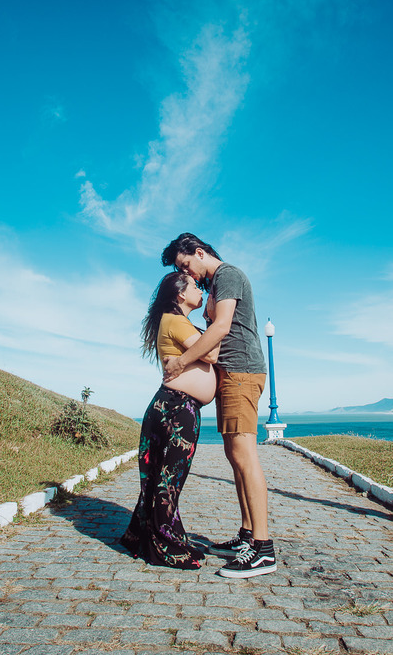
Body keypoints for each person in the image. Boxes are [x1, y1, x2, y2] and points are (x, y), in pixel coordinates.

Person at [160, 233, 276, 579]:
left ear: (199, 253)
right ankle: (247, 535)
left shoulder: (228, 275)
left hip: (242, 371)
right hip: (230, 374)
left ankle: (263, 549)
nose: (187, 273)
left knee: (244, 456)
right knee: (234, 456)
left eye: (186, 265)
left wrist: (180, 364)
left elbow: (222, 327)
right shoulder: (213, 286)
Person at [119, 271, 219, 569]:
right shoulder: (175, 320)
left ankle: (150, 536)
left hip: (173, 406)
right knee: (168, 481)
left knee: (161, 480)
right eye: (195, 286)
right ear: (180, 294)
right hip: (176, 409)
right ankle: (165, 547)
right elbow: (212, 354)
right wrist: (213, 319)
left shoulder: (176, 320)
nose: (200, 291)